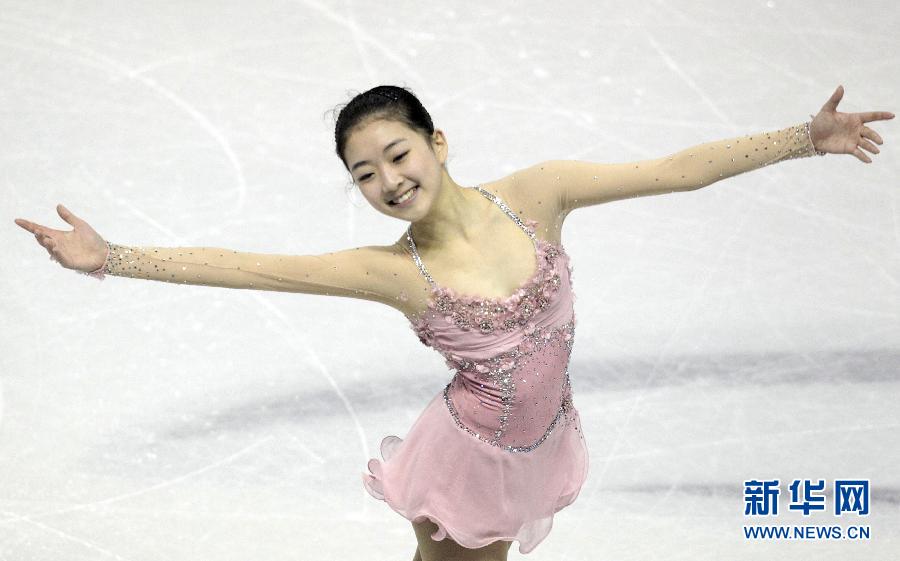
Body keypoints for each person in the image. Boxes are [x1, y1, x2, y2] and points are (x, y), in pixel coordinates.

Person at [13, 84, 893, 560]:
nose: (388, 179)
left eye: (397, 153)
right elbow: (249, 268)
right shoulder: (397, 272)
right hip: (468, 463)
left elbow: (675, 169)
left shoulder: (539, 194)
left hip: (541, 438)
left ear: (438, 142)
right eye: (364, 174)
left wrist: (798, 138)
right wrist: (114, 256)